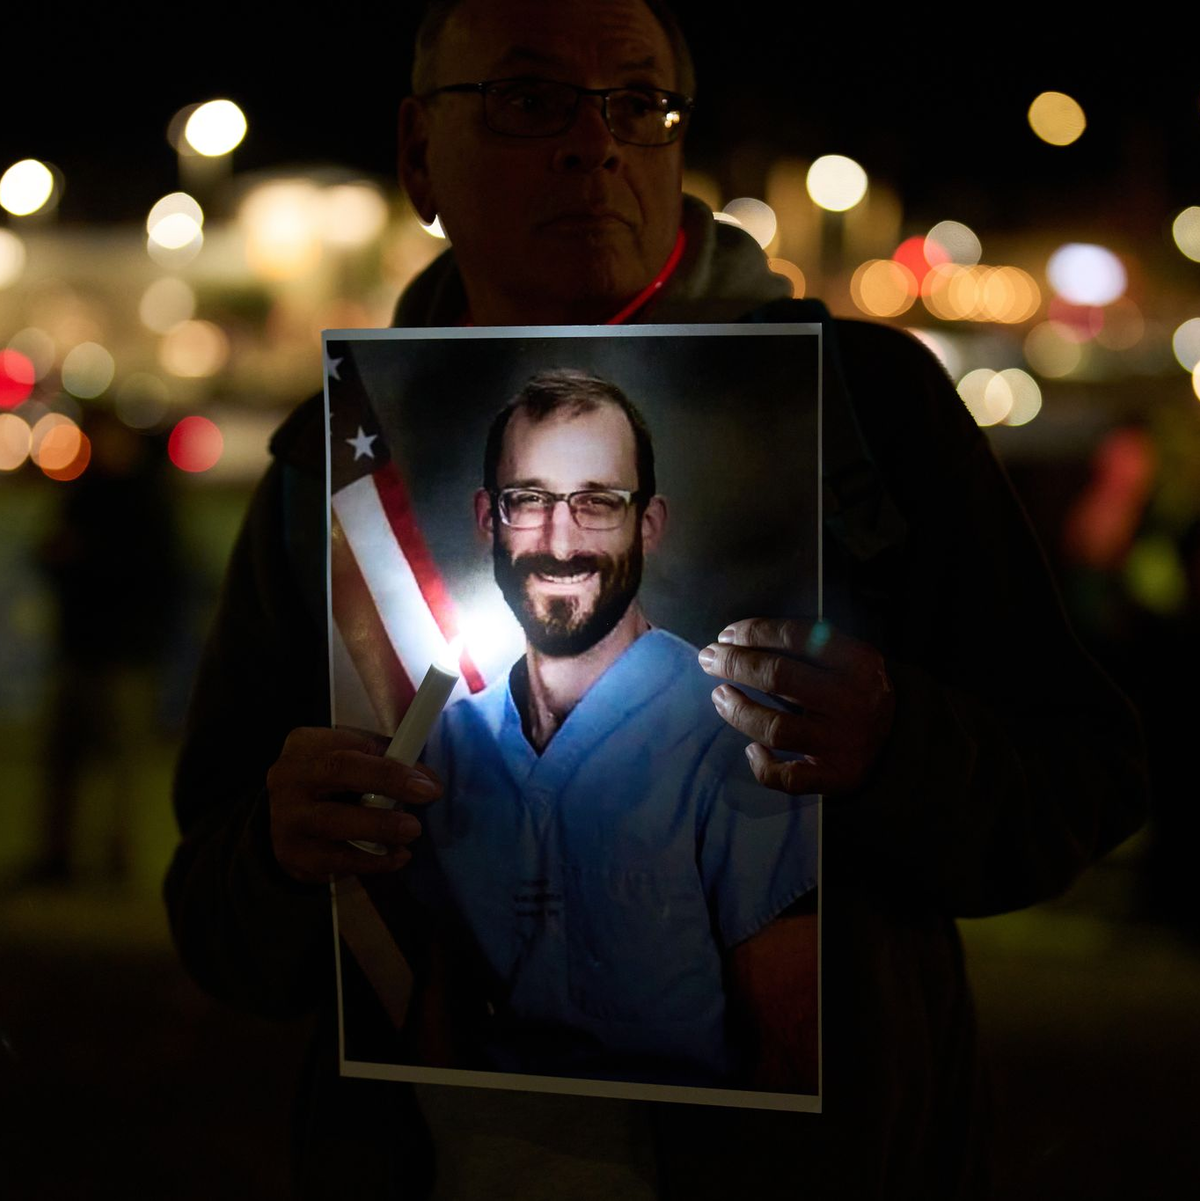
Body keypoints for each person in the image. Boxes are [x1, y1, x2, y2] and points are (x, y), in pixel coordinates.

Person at [166, 1, 1148, 1197]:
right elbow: (213, 908)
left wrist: (896, 746)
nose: (599, 145)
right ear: (420, 152)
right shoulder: (328, 471)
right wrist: (279, 855)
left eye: (639, 102)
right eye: (533, 101)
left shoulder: (867, 411)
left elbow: (1081, 784)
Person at [399, 367, 817, 1088]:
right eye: (527, 500)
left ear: (647, 524)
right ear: (485, 517)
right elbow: (436, 1012)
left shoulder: (736, 738)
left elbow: (790, 1054)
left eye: (597, 502)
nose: (561, 542)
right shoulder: (444, 743)